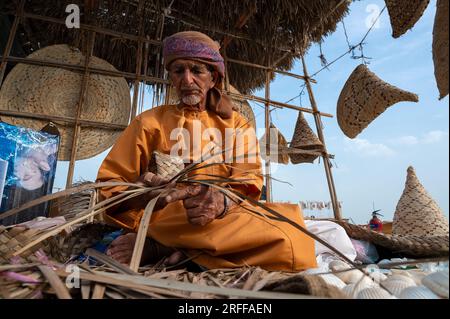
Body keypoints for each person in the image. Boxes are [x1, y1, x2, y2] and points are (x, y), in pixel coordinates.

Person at [96, 31, 317, 272]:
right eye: (178, 71)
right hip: (166, 221)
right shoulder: (149, 123)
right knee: (281, 243)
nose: (187, 80)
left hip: (223, 220)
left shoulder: (237, 125)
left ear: (213, 78)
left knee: (291, 231)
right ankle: (172, 246)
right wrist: (142, 194)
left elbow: (249, 180)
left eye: (197, 71)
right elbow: (109, 186)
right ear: (171, 76)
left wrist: (222, 202)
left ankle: (170, 249)